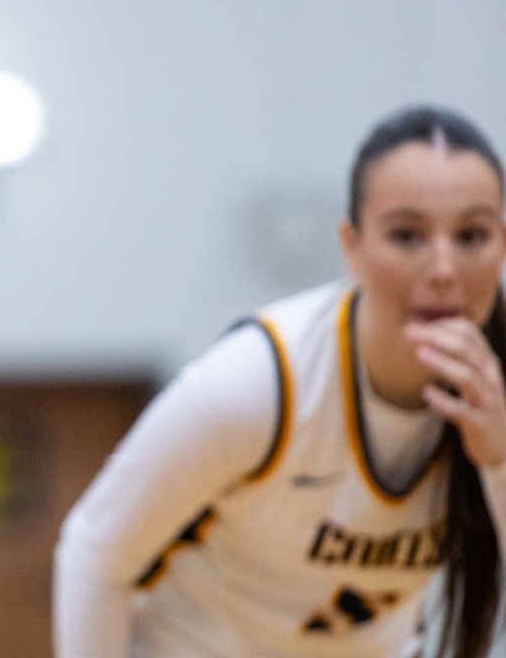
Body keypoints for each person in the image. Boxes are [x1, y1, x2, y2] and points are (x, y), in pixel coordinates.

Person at [55, 105, 506, 658]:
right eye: (408, 235)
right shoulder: (257, 383)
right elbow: (95, 552)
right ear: (353, 247)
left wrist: (499, 461)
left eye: (471, 235)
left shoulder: (497, 386)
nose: (443, 267)